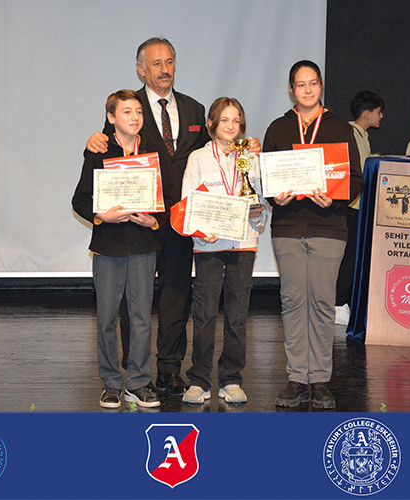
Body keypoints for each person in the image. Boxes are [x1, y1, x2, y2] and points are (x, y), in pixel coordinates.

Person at [85, 37, 261, 396]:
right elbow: (110, 145)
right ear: (141, 69)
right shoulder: (130, 108)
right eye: (156, 63)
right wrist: (94, 139)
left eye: (169, 62)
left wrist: (248, 148)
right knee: (133, 303)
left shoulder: (195, 109)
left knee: (176, 297)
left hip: (180, 219)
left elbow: (213, 152)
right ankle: (136, 373)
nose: (164, 69)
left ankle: (169, 369)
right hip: (140, 222)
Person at [263, 60, 364, 410]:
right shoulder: (278, 128)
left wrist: (334, 197)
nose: (307, 90)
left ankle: (319, 379)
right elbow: (267, 177)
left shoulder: (339, 127)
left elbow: (355, 179)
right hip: (288, 228)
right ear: (291, 90)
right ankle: (296, 378)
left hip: (329, 227)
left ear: (321, 86)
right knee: (292, 302)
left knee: (322, 303)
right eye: (300, 84)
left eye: (313, 83)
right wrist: (274, 196)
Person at [72, 90, 161, 409]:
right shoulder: (98, 151)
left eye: (138, 111)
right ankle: (111, 383)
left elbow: (163, 199)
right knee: (107, 318)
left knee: (141, 318)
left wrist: (153, 220)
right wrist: (101, 215)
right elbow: (80, 200)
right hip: (108, 247)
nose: (134, 117)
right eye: (126, 112)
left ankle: (139, 383)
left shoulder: (151, 151)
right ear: (111, 117)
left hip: (143, 247)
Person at [180, 97, 267, 404]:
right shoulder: (198, 158)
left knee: (237, 316)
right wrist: (203, 231)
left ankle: (231, 379)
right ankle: (199, 380)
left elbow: (260, 200)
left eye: (236, 120)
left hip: (243, 244)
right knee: (204, 314)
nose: (231, 126)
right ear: (211, 124)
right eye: (224, 120)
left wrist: (257, 213)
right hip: (209, 245)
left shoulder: (251, 157)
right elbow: (188, 202)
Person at [335, 90, 384, 325]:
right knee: (348, 257)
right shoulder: (350, 133)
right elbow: (357, 168)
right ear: (367, 113)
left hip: (360, 207)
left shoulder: (363, 135)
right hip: (351, 206)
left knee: (354, 257)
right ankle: (337, 304)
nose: (381, 116)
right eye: (378, 112)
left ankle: (344, 302)